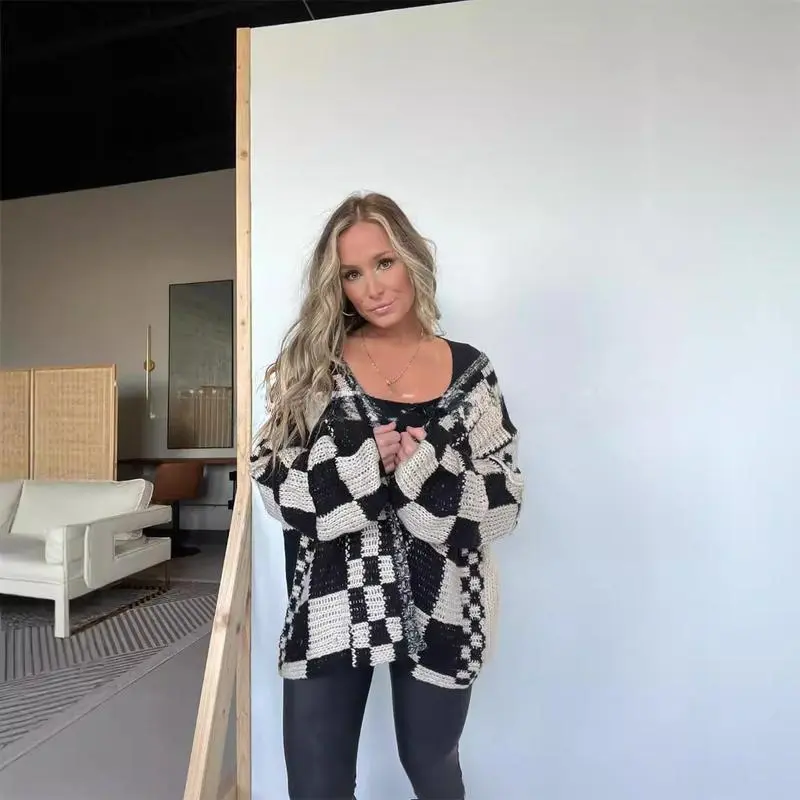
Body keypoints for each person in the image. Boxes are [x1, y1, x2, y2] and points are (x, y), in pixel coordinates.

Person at [251, 192, 524, 800]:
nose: (372, 288)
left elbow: (506, 500)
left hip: (446, 599)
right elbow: (273, 483)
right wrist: (361, 468)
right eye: (352, 274)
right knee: (316, 784)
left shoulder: (470, 372)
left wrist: (423, 473)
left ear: (411, 258)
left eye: (383, 263)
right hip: (329, 597)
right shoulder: (315, 367)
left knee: (433, 768)